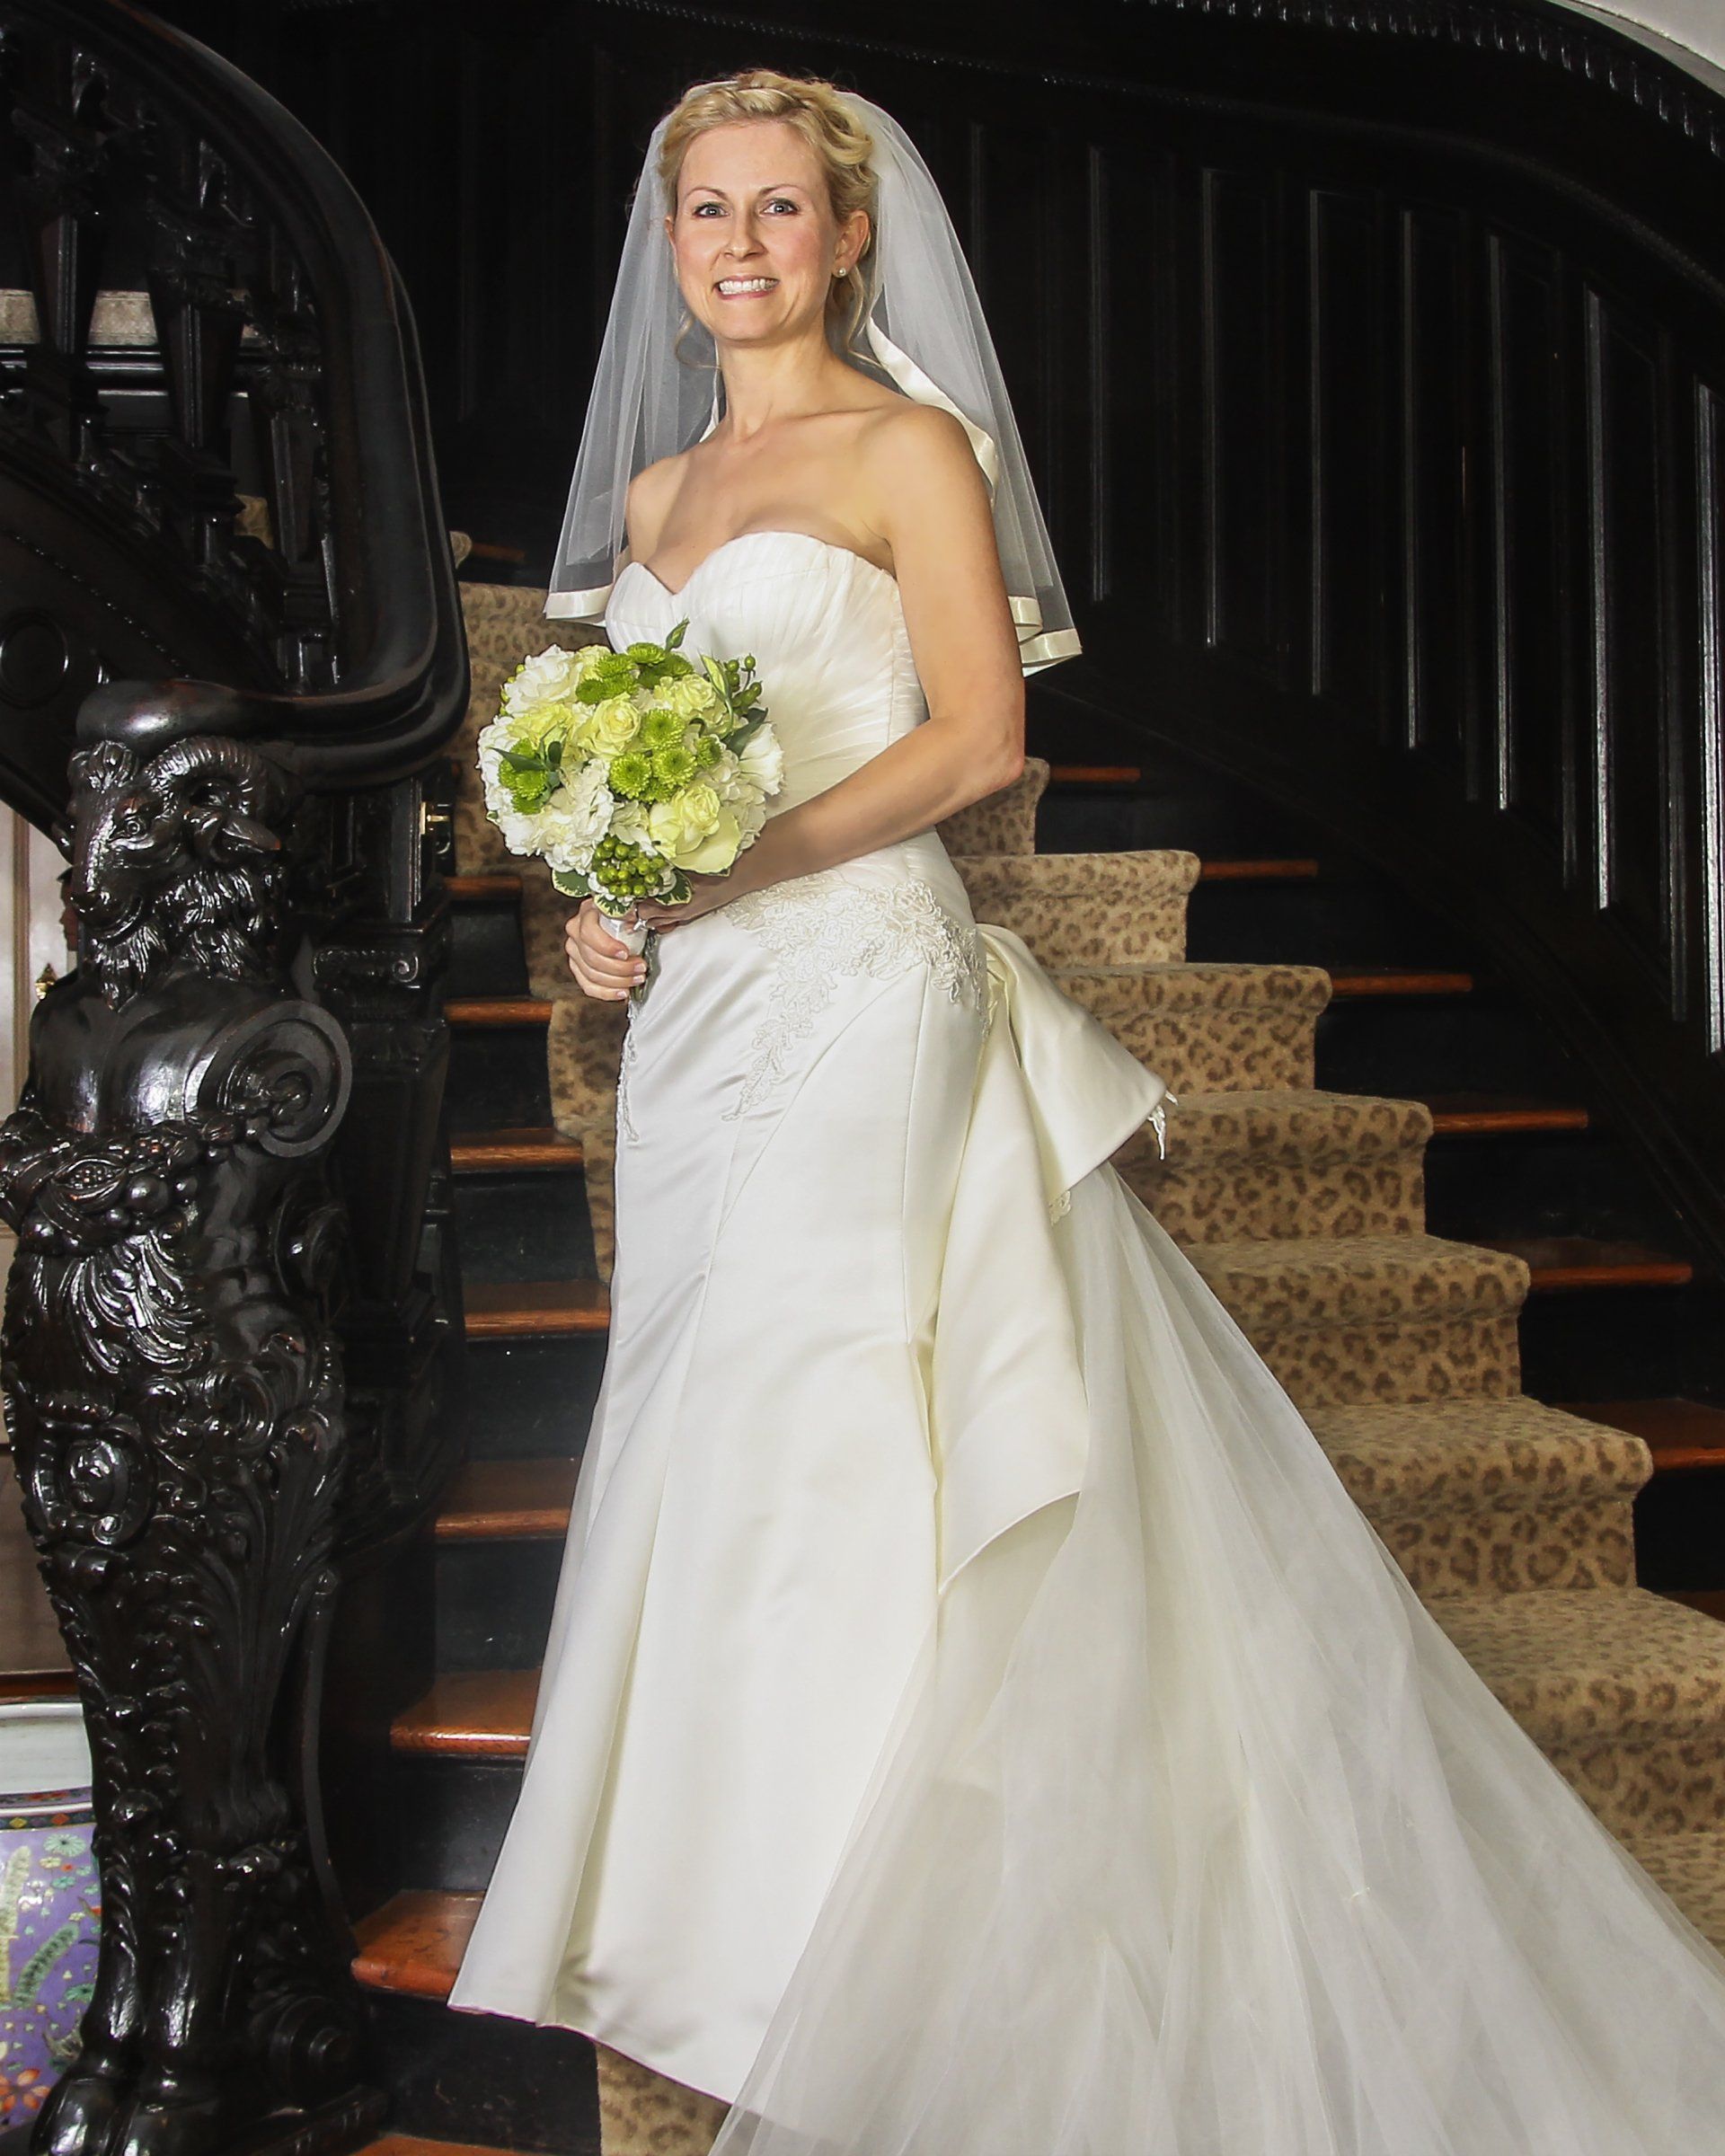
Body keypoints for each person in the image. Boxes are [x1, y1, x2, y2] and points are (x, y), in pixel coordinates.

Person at [447, 69, 1725, 2153]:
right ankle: (775, 1932)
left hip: (868, 988)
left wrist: (737, 867)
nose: (743, 245)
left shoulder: (908, 448)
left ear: (852, 238)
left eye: (781, 209)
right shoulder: (663, 503)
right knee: (715, 1432)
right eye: (707, 212)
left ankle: (919, 1950)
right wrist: (612, 918)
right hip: (702, 1037)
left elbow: (977, 739)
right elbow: (633, 806)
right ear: (669, 247)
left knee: (851, 1415)